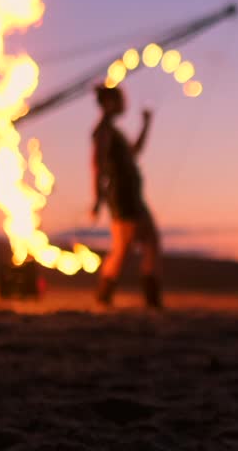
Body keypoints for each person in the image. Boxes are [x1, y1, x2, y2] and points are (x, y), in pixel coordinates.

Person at [91, 84, 163, 309]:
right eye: (120, 99)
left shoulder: (114, 133)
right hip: (123, 198)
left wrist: (146, 123)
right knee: (127, 247)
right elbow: (97, 166)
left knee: (142, 243)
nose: (125, 104)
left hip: (132, 196)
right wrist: (97, 200)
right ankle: (108, 296)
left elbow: (135, 151)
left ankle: (110, 295)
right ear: (109, 103)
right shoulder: (103, 132)